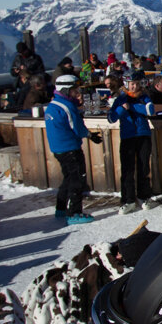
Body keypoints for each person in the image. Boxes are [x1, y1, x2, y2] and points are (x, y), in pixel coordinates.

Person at [44, 75, 103, 225]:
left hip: (58, 149)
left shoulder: (53, 104)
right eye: (74, 90)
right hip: (70, 148)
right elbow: (77, 127)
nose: (77, 94)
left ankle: (61, 208)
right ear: (66, 90)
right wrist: (90, 135)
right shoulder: (67, 106)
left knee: (68, 178)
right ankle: (74, 213)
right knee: (77, 180)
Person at [108, 72, 156, 215]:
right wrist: (122, 108)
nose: (133, 86)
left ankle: (144, 196)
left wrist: (133, 107)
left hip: (143, 134)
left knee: (143, 167)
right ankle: (128, 199)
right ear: (126, 84)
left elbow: (150, 110)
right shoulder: (120, 99)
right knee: (127, 169)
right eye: (131, 83)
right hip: (127, 136)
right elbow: (111, 118)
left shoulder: (143, 97)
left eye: (136, 83)